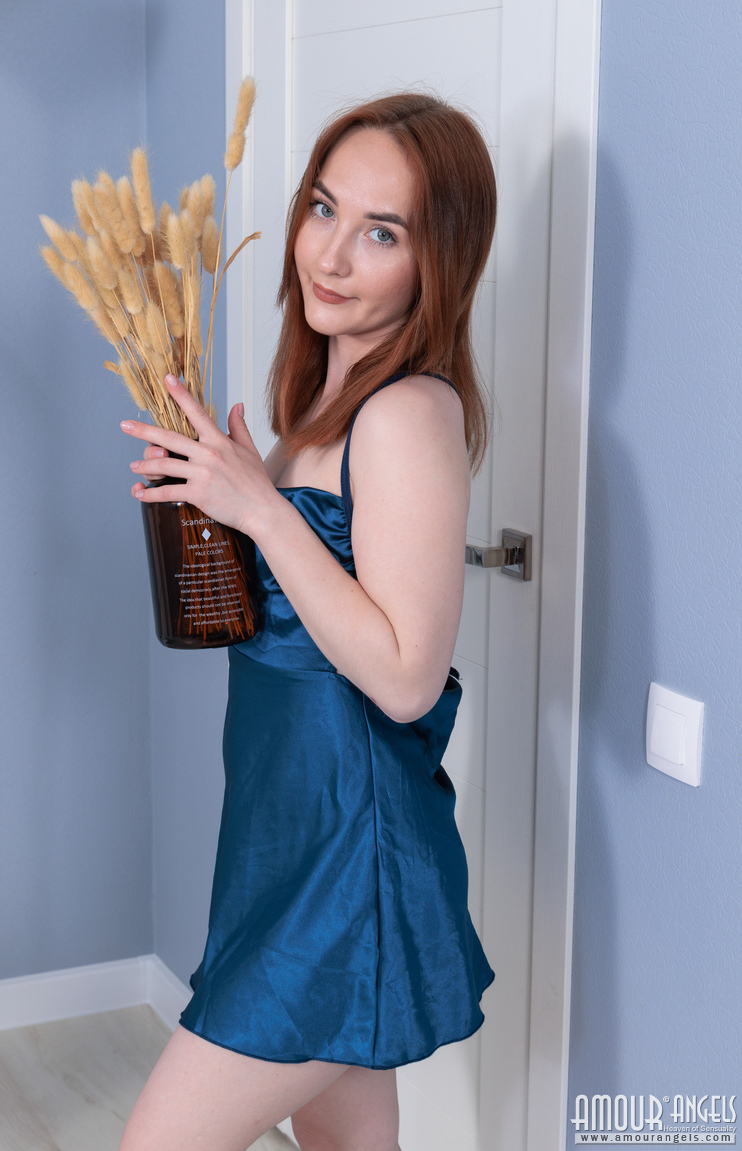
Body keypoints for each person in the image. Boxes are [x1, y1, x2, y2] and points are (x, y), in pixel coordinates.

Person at [119, 92, 497, 1151]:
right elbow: (296, 630)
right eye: (324, 209)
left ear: (438, 261)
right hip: (284, 835)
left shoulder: (406, 412)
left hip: (345, 855)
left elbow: (407, 678)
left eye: (382, 232)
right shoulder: (312, 415)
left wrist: (262, 511)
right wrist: (214, 507)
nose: (331, 253)